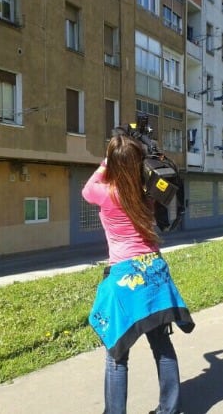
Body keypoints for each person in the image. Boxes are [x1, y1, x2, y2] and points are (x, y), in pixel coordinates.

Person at [82, 133, 195, 414]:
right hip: (154, 271)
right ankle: (169, 410)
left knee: (117, 354)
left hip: (125, 277)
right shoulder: (148, 192)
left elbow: (87, 189)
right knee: (161, 344)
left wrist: (106, 161)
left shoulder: (107, 193)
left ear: (115, 164)